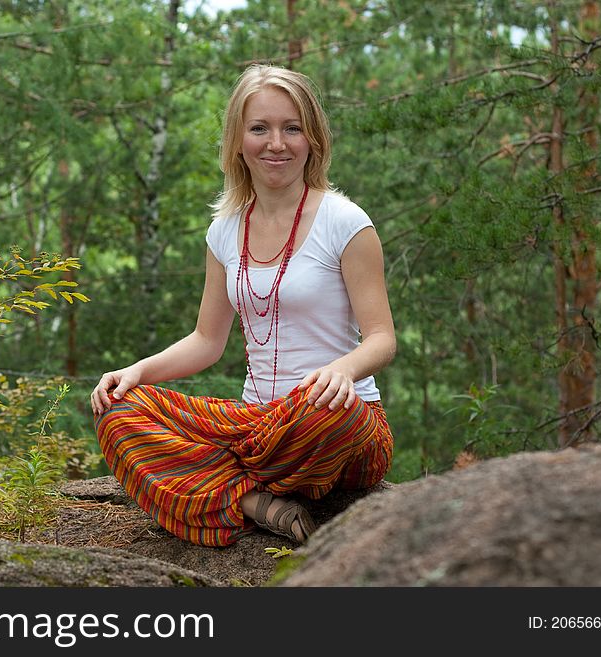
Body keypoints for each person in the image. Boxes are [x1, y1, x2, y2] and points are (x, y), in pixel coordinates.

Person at [91, 63, 395, 547]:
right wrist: (137, 371)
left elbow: (381, 337)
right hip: (255, 424)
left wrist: (342, 371)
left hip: (333, 421)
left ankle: (216, 481)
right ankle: (254, 502)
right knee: (118, 408)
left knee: (332, 414)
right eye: (260, 128)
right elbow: (207, 341)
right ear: (238, 141)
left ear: (312, 139)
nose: (277, 142)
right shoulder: (224, 230)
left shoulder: (347, 222)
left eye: (291, 128)